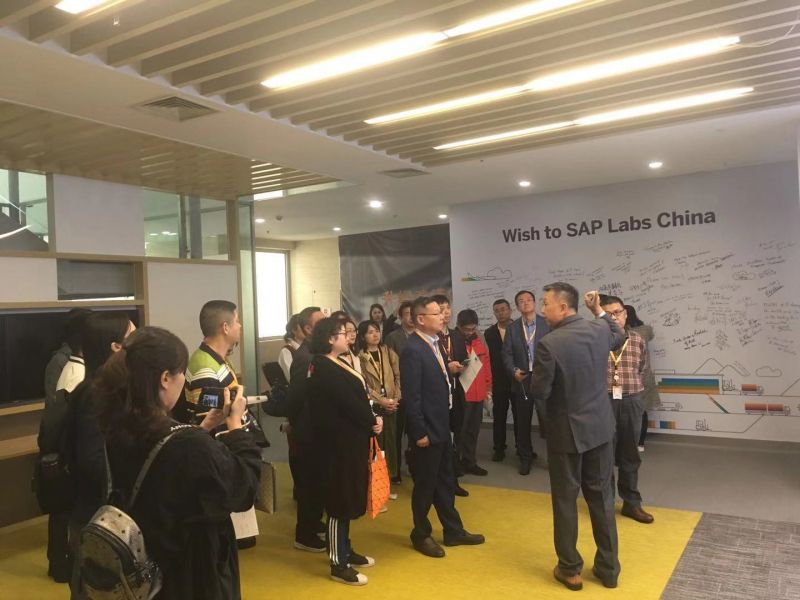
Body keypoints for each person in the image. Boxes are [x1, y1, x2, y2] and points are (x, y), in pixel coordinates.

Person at [94, 326, 261, 599]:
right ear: (165, 378)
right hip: (187, 572)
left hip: (142, 567)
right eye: (182, 372)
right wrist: (236, 428)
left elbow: (166, 462)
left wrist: (202, 428)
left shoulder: (117, 428)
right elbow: (242, 489)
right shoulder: (189, 445)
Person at [530, 284, 625, 591]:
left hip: (566, 434)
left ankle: (570, 569)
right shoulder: (598, 329)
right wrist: (598, 310)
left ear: (563, 307)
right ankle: (609, 569)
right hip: (600, 429)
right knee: (602, 498)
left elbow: (540, 391)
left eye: (545, 303)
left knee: (565, 501)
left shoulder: (549, 344)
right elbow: (620, 334)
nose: (542, 309)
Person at [400, 296, 484, 559]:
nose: (443, 317)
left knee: (446, 480)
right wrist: (419, 432)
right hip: (427, 430)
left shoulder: (436, 343)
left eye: (443, 312)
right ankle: (420, 534)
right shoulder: (413, 349)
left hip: (442, 424)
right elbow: (412, 396)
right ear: (420, 319)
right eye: (436, 314)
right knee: (425, 485)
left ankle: (453, 530)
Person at [308, 318, 383, 586]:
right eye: (343, 333)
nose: (349, 337)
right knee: (338, 502)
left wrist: (373, 417)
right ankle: (338, 563)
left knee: (349, 496)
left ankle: (346, 549)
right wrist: (372, 420)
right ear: (330, 338)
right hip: (336, 446)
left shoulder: (339, 362)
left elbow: (359, 398)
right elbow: (348, 403)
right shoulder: (322, 366)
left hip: (352, 442)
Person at [68, 311, 136, 596]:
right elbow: (93, 460)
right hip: (97, 516)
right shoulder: (94, 394)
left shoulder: (108, 389)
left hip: (102, 513)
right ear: (116, 348)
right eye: (132, 338)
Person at [39, 307, 91, 583]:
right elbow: (56, 408)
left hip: (67, 443)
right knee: (62, 509)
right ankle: (59, 563)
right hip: (62, 445)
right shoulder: (64, 364)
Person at [599, 295, 654, 525]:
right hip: (603, 402)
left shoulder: (638, 340)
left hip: (631, 401)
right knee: (604, 455)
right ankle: (605, 504)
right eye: (608, 314)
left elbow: (642, 368)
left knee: (630, 454)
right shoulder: (595, 341)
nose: (614, 318)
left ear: (625, 314)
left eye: (618, 312)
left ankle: (632, 503)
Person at [287, 306, 327, 552]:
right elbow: (295, 399)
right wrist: (298, 426)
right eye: (321, 323)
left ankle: (314, 522)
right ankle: (304, 534)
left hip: (318, 430)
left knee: (318, 482)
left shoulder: (317, 352)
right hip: (308, 431)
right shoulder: (304, 358)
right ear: (308, 329)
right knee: (309, 484)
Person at [501, 290, 551, 475]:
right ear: (517, 306)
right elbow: (506, 353)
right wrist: (513, 370)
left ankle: (554, 458)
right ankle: (525, 457)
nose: (526, 303)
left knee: (548, 420)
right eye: (521, 301)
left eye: (529, 300)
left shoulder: (547, 323)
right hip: (522, 379)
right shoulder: (512, 328)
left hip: (544, 378)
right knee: (522, 422)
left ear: (535, 303)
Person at [431, 294, 469, 496]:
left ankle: (454, 477)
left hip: (457, 391)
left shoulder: (456, 336)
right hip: (438, 395)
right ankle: (442, 480)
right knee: (441, 438)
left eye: (447, 309)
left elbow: (463, 358)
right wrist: (447, 367)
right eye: (440, 309)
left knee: (457, 434)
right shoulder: (430, 338)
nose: (445, 313)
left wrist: (463, 366)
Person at [357, 320, 401, 488]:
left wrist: (396, 398)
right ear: (363, 336)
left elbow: (398, 376)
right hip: (374, 406)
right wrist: (380, 400)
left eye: (377, 330)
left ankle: (389, 478)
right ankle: (376, 482)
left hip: (392, 404)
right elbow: (363, 385)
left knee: (391, 443)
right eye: (370, 332)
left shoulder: (388, 352)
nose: (375, 335)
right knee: (377, 445)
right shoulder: (360, 357)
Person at [455, 309, 492, 477]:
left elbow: (486, 364)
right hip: (462, 394)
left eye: (473, 329)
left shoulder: (480, 338)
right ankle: (456, 463)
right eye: (466, 329)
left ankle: (470, 462)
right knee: (459, 431)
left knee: (473, 431)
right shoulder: (453, 340)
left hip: (479, 392)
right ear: (459, 326)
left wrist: (488, 387)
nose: (470, 332)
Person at [385, 300, 414, 481]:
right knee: (396, 432)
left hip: (417, 392)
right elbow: (388, 367)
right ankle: (394, 470)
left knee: (415, 431)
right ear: (401, 317)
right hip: (399, 391)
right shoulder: (393, 337)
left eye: (413, 313)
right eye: (407, 314)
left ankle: (414, 465)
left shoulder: (422, 335)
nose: (410, 317)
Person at [625, 304, 660, 450]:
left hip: (628, 378)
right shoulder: (646, 329)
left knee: (626, 412)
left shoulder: (623, 332)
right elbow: (650, 335)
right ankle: (640, 443)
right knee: (642, 411)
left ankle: (628, 443)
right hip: (645, 377)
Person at [483, 299, 515, 463]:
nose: (501, 313)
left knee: (521, 417)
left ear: (510, 310)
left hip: (517, 380)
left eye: (503, 309)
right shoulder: (489, 333)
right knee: (499, 416)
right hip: (498, 381)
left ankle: (523, 449)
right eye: (497, 310)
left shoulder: (520, 328)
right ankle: (499, 448)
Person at [278, 313, 303, 383]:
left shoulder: (310, 348)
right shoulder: (286, 351)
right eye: (302, 326)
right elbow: (292, 378)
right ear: (294, 330)